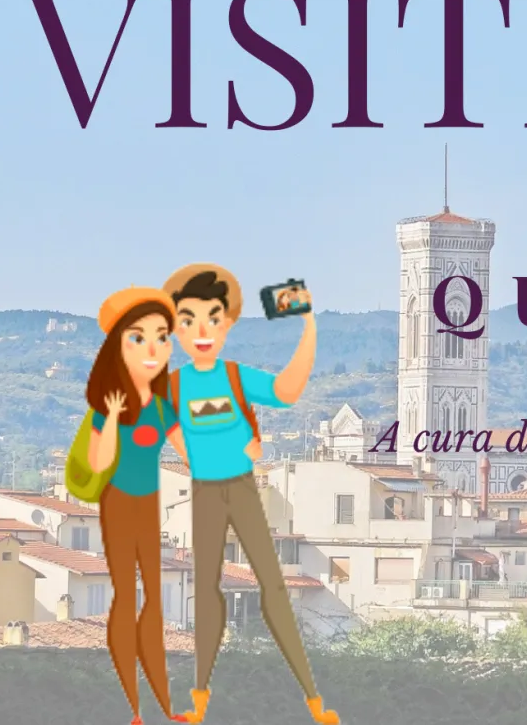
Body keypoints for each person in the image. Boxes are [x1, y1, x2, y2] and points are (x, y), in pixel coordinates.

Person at [160, 264, 338, 725]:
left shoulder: (236, 377)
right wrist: (188, 453)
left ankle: (312, 699)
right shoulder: (174, 386)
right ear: (177, 329)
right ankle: (199, 699)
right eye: (189, 321)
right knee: (207, 589)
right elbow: (163, 424)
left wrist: (309, 327)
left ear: (226, 324)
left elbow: (286, 391)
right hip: (205, 491)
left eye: (213, 319)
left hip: (241, 487)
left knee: (272, 586)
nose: (202, 331)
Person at [85, 287, 191, 725]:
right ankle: (133, 708)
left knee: (154, 601)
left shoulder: (162, 407)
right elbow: (99, 462)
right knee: (126, 598)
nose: (153, 347)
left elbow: (189, 455)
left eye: (162, 337)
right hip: (117, 505)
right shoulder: (107, 405)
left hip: (148, 506)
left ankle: (162, 707)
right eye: (139, 337)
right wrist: (111, 418)